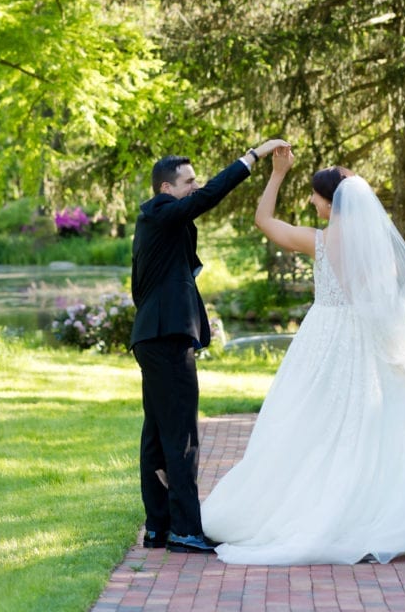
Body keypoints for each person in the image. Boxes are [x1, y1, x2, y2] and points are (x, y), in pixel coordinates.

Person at [201, 148, 405, 565]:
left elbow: (264, 222)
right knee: (374, 425)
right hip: (367, 337)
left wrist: (277, 174)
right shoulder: (376, 245)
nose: (311, 202)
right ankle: (374, 507)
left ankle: (318, 507)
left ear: (331, 201)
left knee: (311, 423)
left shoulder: (319, 242)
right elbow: (381, 296)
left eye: (315, 197)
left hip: (325, 338)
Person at [130, 138, 289, 553]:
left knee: (157, 433)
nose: (195, 187)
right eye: (188, 182)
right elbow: (210, 196)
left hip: (153, 336)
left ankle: (158, 527)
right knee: (181, 434)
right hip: (165, 339)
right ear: (167, 188)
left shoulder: (158, 221)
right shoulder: (163, 210)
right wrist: (253, 156)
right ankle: (184, 529)